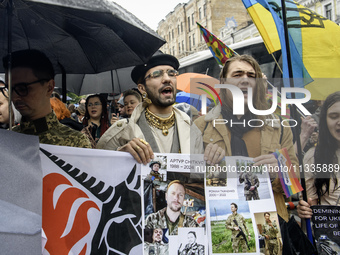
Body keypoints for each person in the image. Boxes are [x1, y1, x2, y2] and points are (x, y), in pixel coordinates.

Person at [194, 55, 298, 222]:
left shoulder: (279, 126)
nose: (245, 80)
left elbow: (295, 183)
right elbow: (188, 179)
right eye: (237, 75)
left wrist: (279, 172)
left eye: (251, 76)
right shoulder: (201, 126)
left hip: (269, 222)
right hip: (224, 219)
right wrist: (204, 164)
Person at [97, 53, 222, 165]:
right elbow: (97, 168)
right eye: (157, 74)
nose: (167, 78)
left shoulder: (191, 128)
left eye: (172, 73)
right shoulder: (122, 130)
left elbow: (200, 176)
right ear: (142, 88)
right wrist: (120, 154)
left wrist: (213, 159)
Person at [2, 49, 91, 148]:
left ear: (49, 87)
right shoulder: (6, 140)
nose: (14, 97)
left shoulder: (75, 142)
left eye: (22, 88)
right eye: (9, 89)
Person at [297, 91, 340, 218]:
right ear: (324, 121)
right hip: (330, 234)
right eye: (333, 116)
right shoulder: (313, 157)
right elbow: (311, 206)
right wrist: (304, 210)